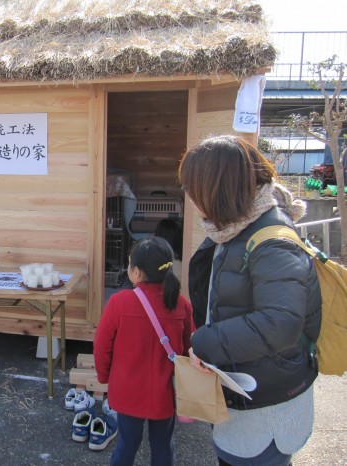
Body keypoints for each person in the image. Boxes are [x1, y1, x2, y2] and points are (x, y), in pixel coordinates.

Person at [178, 135, 322, 466]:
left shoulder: (272, 242)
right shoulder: (234, 228)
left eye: (192, 188)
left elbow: (280, 323)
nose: (188, 196)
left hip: (267, 406)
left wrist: (205, 342)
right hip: (248, 390)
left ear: (217, 188)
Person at [94, 236, 195, 466]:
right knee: (162, 447)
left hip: (127, 390)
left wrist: (104, 377)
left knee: (127, 444)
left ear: (136, 272)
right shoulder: (181, 304)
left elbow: (101, 346)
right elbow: (191, 347)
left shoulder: (119, 302)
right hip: (166, 393)